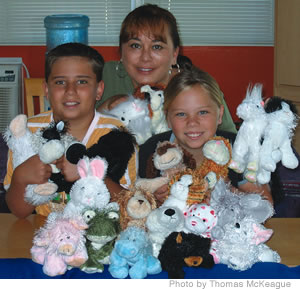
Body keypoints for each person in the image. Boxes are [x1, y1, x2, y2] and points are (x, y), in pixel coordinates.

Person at [4, 42, 137, 218]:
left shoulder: (118, 135)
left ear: (98, 90)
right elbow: (19, 211)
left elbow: (130, 207)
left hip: (100, 234)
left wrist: (86, 172)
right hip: (46, 231)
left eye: (82, 82)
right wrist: (21, 177)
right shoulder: (26, 132)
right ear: (47, 89)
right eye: (60, 82)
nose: (70, 91)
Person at [138, 65, 273, 205]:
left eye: (202, 112)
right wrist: (152, 200)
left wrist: (226, 192)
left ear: (219, 115)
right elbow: (132, 203)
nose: (192, 122)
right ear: (168, 119)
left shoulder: (239, 149)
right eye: (181, 114)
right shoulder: (151, 151)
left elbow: (266, 205)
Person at [97, 4, 237, 134]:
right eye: (135, 46)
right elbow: (78, 131)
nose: (145, 57)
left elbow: (231, 142)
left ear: (174, 54)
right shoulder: (104, 76)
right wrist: (106, 107)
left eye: (157, 47)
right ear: (121, 50)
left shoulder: (198, 86)